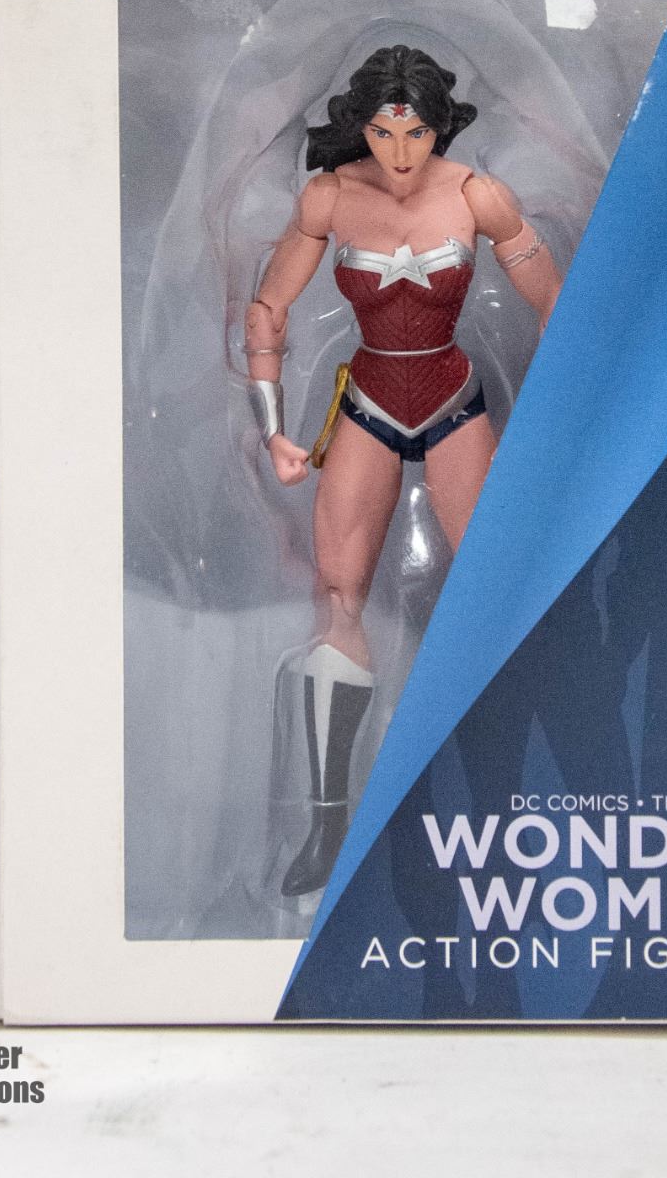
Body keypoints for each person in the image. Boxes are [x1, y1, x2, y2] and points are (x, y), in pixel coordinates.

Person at [245, 46, 560, 895]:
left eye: (416, 132)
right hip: (369, 404)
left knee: (492, 591)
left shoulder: (477, 195)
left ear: (437, 127)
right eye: (385, 133)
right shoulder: (329, 195)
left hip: (454, 399)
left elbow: (559, 307)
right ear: (364, 127)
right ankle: (326, 826)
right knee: (337, 599)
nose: (400, 151)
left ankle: (500, 810)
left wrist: (555, 430)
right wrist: (272, 431)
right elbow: (268, 308)